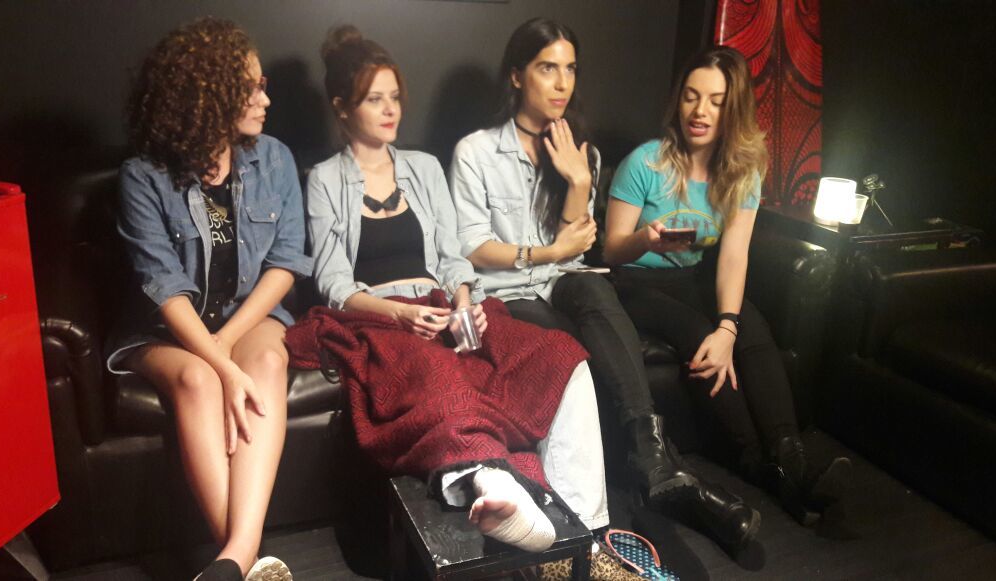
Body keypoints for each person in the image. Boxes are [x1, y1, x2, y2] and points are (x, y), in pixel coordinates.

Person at [290, 25, 618, 561]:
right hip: (378, 315)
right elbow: (334, 282)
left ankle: (586, 531)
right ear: (343, 108)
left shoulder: (422, 167)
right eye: (375, 99)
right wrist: (398, 315)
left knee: (562, 356)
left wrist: (465, 302)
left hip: (441, 305)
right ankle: (494, 485)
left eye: (395, 97)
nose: (391, 110)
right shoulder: (325, 179)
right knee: (438, 375)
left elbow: (451, 258)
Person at [448, 17, 759, 550]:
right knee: (580, 358)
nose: (562, 83)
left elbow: (576, 246)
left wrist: (578, 179)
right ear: (517, 76)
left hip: (563, 278)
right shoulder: (475, 152)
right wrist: (545, 253)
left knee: (596, 291)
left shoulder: (581, 152)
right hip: (506, 291)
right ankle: (666, 484)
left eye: (570, 69)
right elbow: (473, 246)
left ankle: (651, 457)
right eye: (548, 68)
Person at [603, 46, 851, 526]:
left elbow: (735, 254)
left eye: (715, 101)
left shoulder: (743, 169)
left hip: (691, 275)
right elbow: (611, 251)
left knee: (749, 325)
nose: (699, 111)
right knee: (701, 337)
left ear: (732, 109)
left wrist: (729, 327)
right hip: (636, 281)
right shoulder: (645, 162)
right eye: (691, 97)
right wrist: (645, 239)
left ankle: (790, 459)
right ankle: (756, 463)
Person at [106, 18, 306, 581]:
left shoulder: (274, 159)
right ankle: (246, 560)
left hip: (245, 314)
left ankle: (232, 561)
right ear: (207, 93)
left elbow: (286, 263)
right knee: (198, 380)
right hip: (166, 330)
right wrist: (219, 364)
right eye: (251, 87)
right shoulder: (142, 176)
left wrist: (228, 346)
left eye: (264, 85)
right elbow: (163, 286)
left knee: (267, 362)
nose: (265, 99)